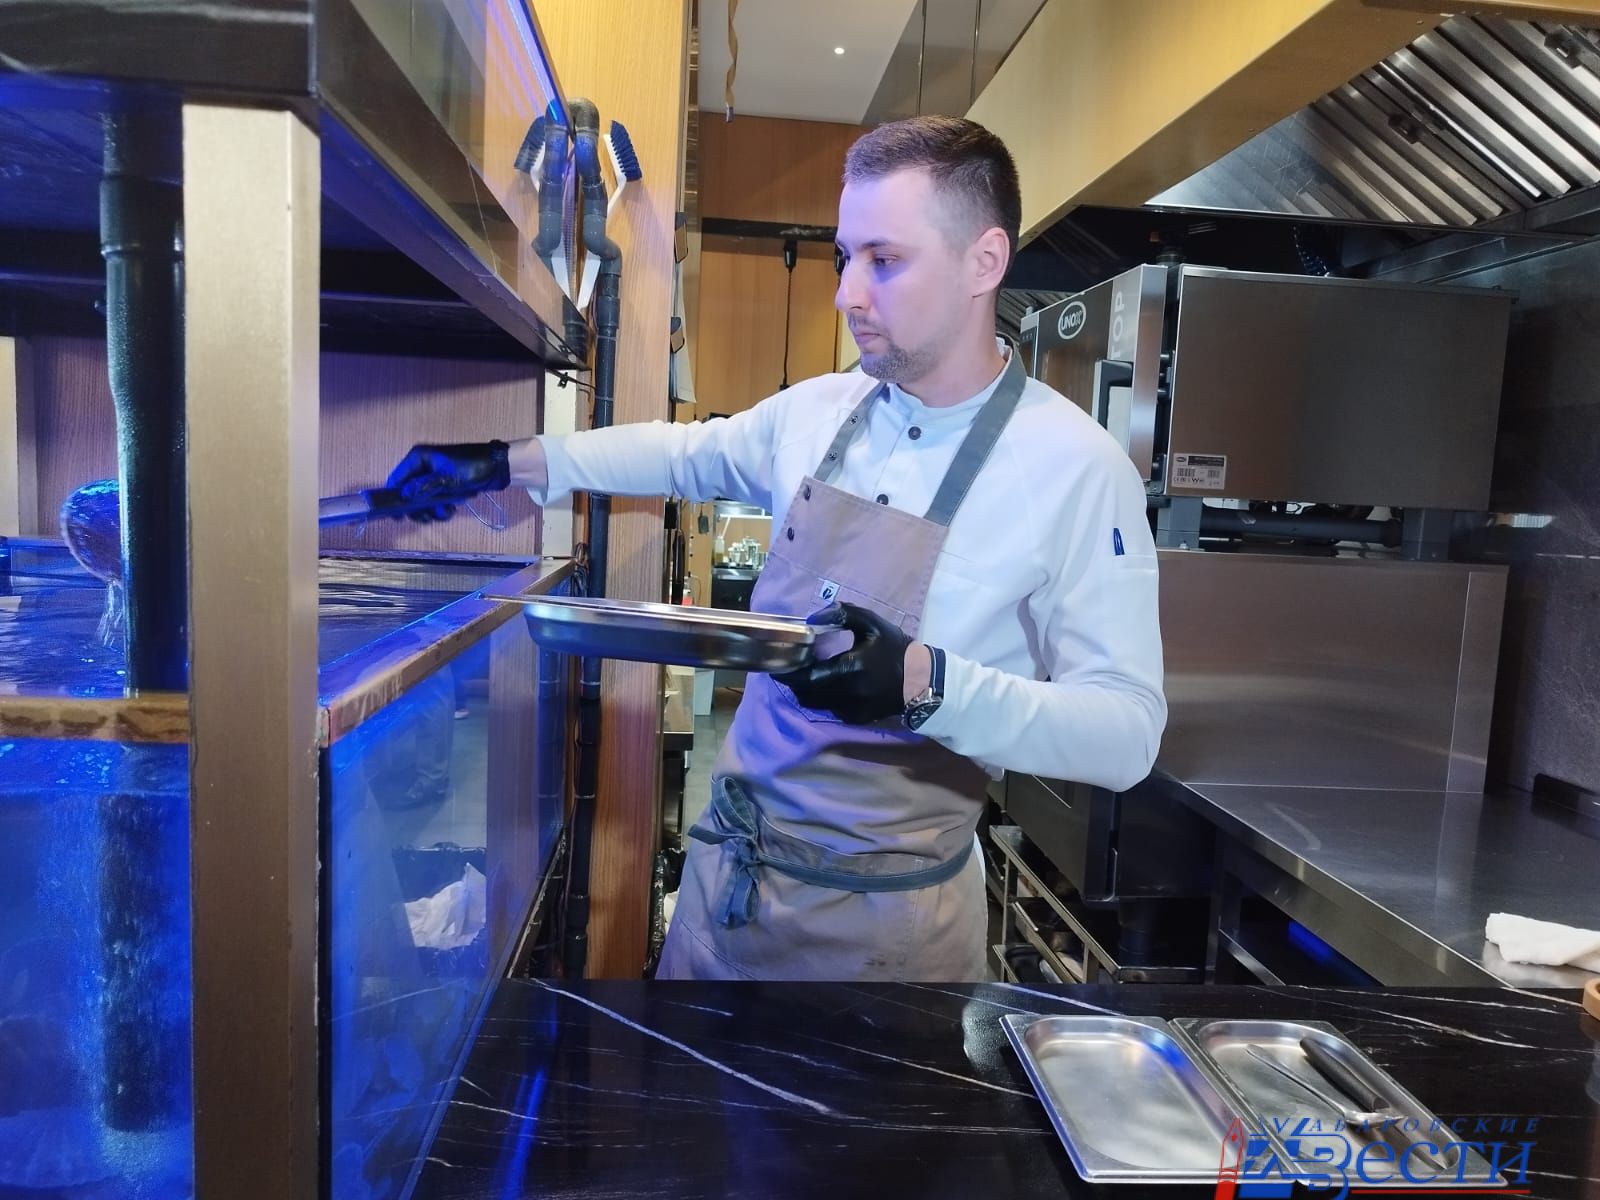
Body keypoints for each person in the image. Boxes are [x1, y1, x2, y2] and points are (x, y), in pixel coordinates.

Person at [385, 116, 1166, 982]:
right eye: (844, 258)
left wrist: (928, 686)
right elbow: (681, 454)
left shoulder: (1077, 469)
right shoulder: (820, 412)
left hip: (893, 939)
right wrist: (506, 461)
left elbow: (1127, 732)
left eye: (885, 260)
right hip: (730, 893)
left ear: (984, 262)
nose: (848, 294)